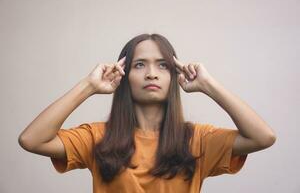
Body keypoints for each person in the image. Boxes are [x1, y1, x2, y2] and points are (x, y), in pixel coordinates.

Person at [18, 33, 276, 193]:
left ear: (173, 76)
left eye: (163, 65)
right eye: (140, 64)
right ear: (124, 76)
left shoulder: (199, 139)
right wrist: (88, 86)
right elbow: (32, 140)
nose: (151, 73)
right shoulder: (97, 137)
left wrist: (208, 85)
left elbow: (263, 137)